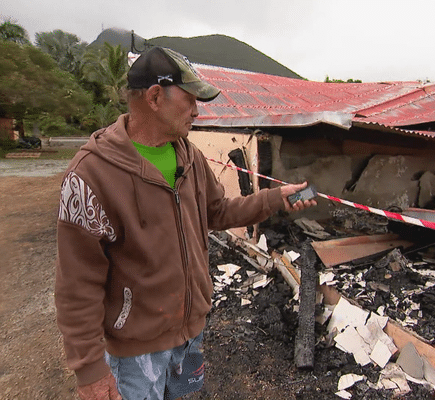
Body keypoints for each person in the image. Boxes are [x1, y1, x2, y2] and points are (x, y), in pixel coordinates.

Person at [55, 47, 316, 400]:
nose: (197, 109)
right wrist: (90, 373)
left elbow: (218, 212)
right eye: (191, 99)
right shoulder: (89, 176)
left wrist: (274, 198)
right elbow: (76, 286)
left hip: (189, 334)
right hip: (134, 353)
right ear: (155, 96)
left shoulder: (188, 155)